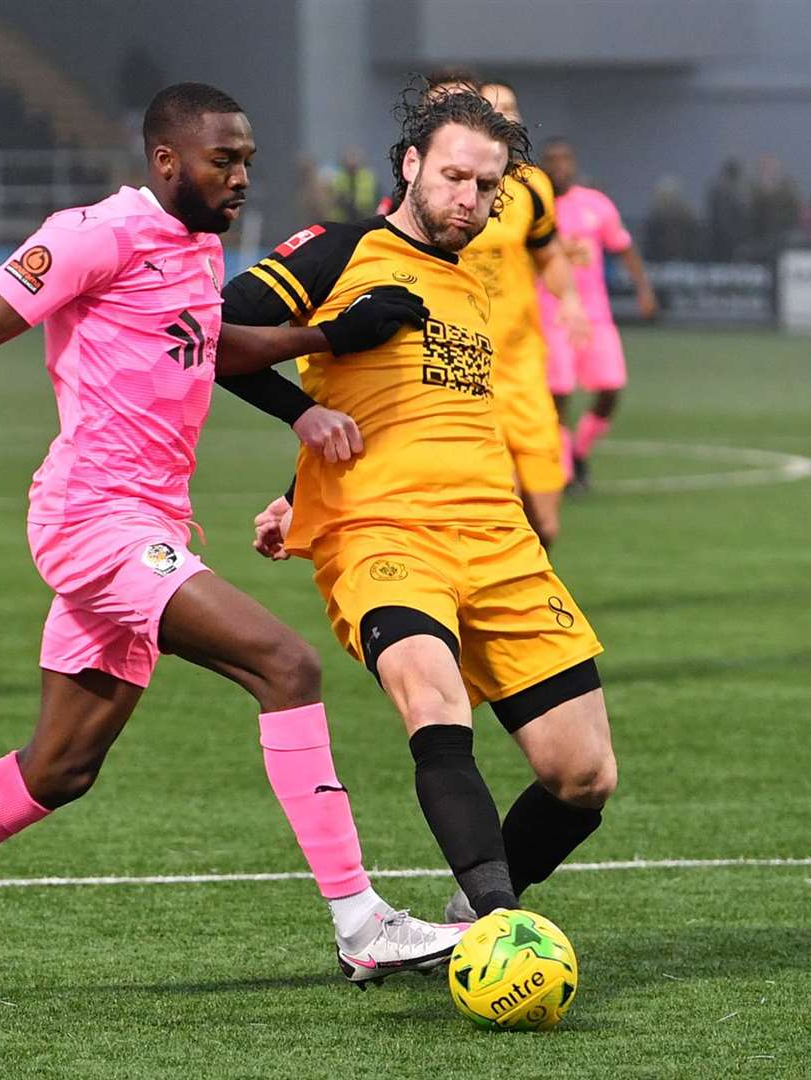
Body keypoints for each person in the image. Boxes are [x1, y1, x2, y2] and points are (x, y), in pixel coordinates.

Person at [0, 82, 458, 1002]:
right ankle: (361, 922)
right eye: (224, 160)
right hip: (94, 521)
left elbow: (208, 343)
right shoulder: (90, 234)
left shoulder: (196, 246)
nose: (241, 175)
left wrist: (326, 338)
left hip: (147, 524)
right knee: (286, 665)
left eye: (248, 160)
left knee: (58, 770)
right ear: (166, 161)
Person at [225, 82, 618, 926]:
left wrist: (295, 489)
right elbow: (214, 336)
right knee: (434, 704)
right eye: (452, 178)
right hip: (383, 534)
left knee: (583, 777)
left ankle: (472, 910)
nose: (468, 200)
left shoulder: (473, 280)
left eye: (486, 186)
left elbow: (407, 406)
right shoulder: (339, 250)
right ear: (410, 165)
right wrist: (306, 399)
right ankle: (497, 925)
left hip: (498, 537)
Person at [458, 82, 586, 545]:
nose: (505, 115)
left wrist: (570, 301)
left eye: (511, 107)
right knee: (503, 512)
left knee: (546, 525)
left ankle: (533, 595)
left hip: (524, 362)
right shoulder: (447, 185)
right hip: (467, 367)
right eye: (494, 108)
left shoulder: (533, 185)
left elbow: (548, 254)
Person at [537, 137, 656, 490]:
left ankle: (579, 449)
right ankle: (566, 473)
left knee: (611, 387)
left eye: (565, 158)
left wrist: (644, 290)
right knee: (557, 394)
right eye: (552, 159)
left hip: (595, 315)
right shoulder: (532, 207)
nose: (559, 165)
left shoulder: (595, 204)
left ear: (574, 163)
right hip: (549, 313)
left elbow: (623, 246)